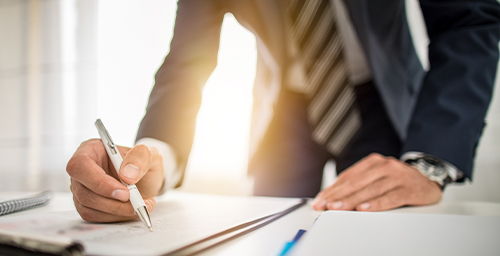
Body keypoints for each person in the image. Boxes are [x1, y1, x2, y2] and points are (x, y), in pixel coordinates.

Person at [67, 0, 500, 222]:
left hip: (384, 101)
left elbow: (467, 20)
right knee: (268, 235)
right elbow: (187, 61)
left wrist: (428, 162)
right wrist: (153, 155)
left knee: (389, 234)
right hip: (283, 114)